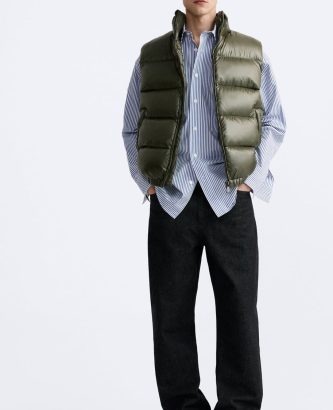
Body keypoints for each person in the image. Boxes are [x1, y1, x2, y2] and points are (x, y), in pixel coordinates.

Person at [121, 1, 286, 409]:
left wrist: (250, 178)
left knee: (239, 316)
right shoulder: (152, 57)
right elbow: (131, 128)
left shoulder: (250, 52)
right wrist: (149, 183)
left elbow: (274, 121)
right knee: (170, 318)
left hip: (229, 200)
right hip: (172, 202)